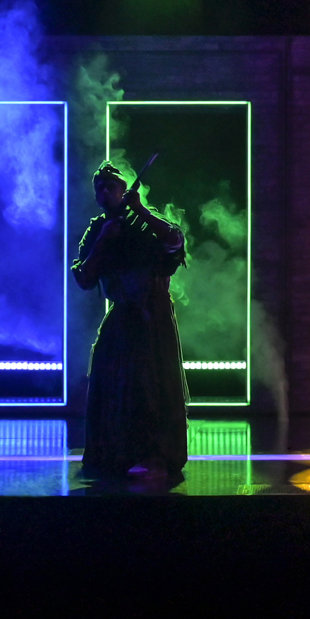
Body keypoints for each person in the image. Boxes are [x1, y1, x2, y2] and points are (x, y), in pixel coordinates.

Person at [72, 163, 190, 478]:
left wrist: (142, 211)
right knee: (110, 386)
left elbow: (174, 243)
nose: (104, 192)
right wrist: (103, 241)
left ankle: (155, 455)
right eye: (99, 187)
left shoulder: (146, 222)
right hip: (122, 315)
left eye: (110, 186)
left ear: (123, 190)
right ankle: (113, 454)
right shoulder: (98, 228)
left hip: (153, 319)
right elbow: (84, 277)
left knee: (150, 386)